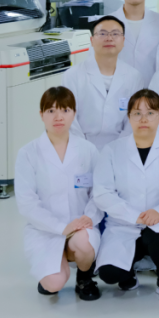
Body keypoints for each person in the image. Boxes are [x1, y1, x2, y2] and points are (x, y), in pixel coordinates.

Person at [93, 89, 159, 302]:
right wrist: (134, 216)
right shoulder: (112, 150)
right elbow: (102, 192)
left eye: (150, 113)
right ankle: (128, 274)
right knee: (109, 274)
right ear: (129, 117)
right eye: (137, 113)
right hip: (124, 223)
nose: (144, 119)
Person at [15, 87, 103, 300]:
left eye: (65, 110)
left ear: (74, 113)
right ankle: (52, 270)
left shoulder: (88, 150)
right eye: (51, 111)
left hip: (80, 225)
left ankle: (84, 277)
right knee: (53, 285)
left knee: (84, 245)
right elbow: (27, 203)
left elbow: (99, 193)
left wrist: (88, 218)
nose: (58, 117)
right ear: (41, 115)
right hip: (45, 229)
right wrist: (61, 227)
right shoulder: (27, 153)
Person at [64, 16, 146, 150]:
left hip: (121, 147)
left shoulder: (134, 77)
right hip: (81, 148)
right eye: (102, 34)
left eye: (115, 34)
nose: (109, 38)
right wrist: (85, 150)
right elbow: (68, 118)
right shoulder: (72, 76)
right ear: (92, 40)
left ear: (123, 41)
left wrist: (117, 149)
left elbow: (134, 117)